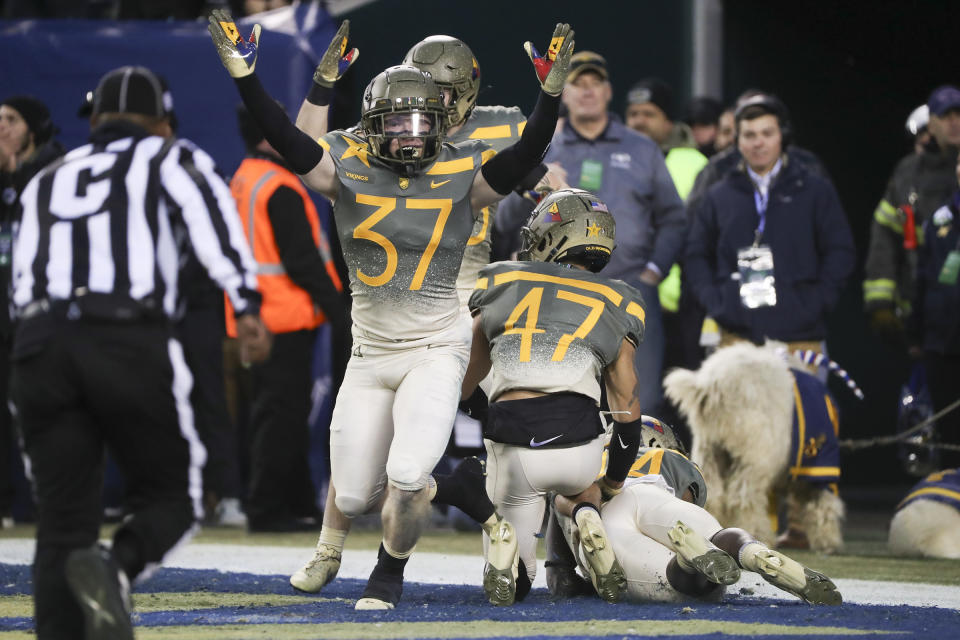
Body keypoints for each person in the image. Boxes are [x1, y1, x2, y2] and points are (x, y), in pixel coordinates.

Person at [208, 10, 574, 609]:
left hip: (461, 294)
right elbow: (299, 143)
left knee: (440, 446)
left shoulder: (479, 147)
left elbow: (538, 164)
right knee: (357, 484)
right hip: (377, 332)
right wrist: (291, 83)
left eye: (437, 100)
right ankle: (352, 535)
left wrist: (548, 110)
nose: (413, 123)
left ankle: (446, 537)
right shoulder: (356, 157)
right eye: (404, 107)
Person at [10, 64, 270, 640]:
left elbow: (21, 280)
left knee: (61, 524)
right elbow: (214, 227)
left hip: (38, 345)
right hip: (124, 334)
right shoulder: (170, 157)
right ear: (160, 121)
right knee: (178, 494)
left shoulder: (48, 177)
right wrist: (247, 303)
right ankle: (116, 566)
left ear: (96, 118)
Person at [290, 31, 546, 594]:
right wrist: (321, 89)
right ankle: (333, 542)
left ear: (471, 90)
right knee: (365, 434)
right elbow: (304, 150)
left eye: (453, 91)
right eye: (434, 88)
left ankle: (514, 541)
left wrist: (550, 219)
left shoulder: (497, 127)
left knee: (507, 408)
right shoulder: (383, 128)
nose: (443, 101)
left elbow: (546, 186)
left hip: (468, 283)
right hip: (389, 292)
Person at [462, 188, 652, 604]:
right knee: (584, 488)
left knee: (518, 579)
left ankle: (507, 553)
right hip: (578, 444)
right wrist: (613, 483)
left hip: (514, 445)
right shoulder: (619, 298)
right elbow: (626, 402)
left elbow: (464, 380)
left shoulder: (501, 278)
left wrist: (482, 423)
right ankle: (585, 513)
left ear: (552, 235)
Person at [496, 51, 686, 417]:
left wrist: (654, 270)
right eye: (577, 84)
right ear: (563, 94)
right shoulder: (540, 145)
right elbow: (504, 223)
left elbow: (674, 219)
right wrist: (536, 181)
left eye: (594, 83)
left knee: (639, 403)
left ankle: (635, 474)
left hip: (629, 291)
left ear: (608, 91)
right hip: (558, 293)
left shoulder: (641, 147)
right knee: (560, 399)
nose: (587, 91)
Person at [544, 417, 842, 605]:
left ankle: (685, 565)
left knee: (679, 584)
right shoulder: (669, 457)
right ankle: (750, 550)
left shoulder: (587, 459)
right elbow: (686, 506)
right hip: (655, 490)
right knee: (714, 534)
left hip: (601, 506)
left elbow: (562, 579)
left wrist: (569, 577)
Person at [227, 102, 349, 532]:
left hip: (254, 319)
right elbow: (302, 261)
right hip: (285, 318)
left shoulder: (244, 179)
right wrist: (341, 313)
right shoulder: (278, 184)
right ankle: (267, 509)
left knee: (274, 415)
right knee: (280, 418)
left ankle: (294, 504)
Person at [684, 93, 856, 353]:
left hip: (801, 336)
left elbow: (840, 250)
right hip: (735, 337)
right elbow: (695, 254)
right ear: (737, 141)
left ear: (782, 137)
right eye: (749, 135)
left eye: (767, 133)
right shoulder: (718, 194)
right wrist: (717, 302)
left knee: (801, 396)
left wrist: (815, 303)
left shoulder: (814, 189)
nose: (758, 143)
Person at [0, 95, 65, 527]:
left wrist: (15, 174)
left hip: (44, 311)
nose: (2, 128)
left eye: (11, 120)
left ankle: (47, 500)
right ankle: (14, 500)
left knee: (45, 410)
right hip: (8, 310)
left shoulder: (54, 168)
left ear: (34, 126)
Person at [864, 85, 960, 342]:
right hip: (924, 312)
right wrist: (880, 300)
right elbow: (884, 238)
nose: (954, 123)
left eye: (958, 116)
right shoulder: (908, 175)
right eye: (946, 117)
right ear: (933, 124)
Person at [910, 154, 960, 467]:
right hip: (944, 346)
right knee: (949, 438)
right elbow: (924, 279)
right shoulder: (942, 218)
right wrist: (917, 333)